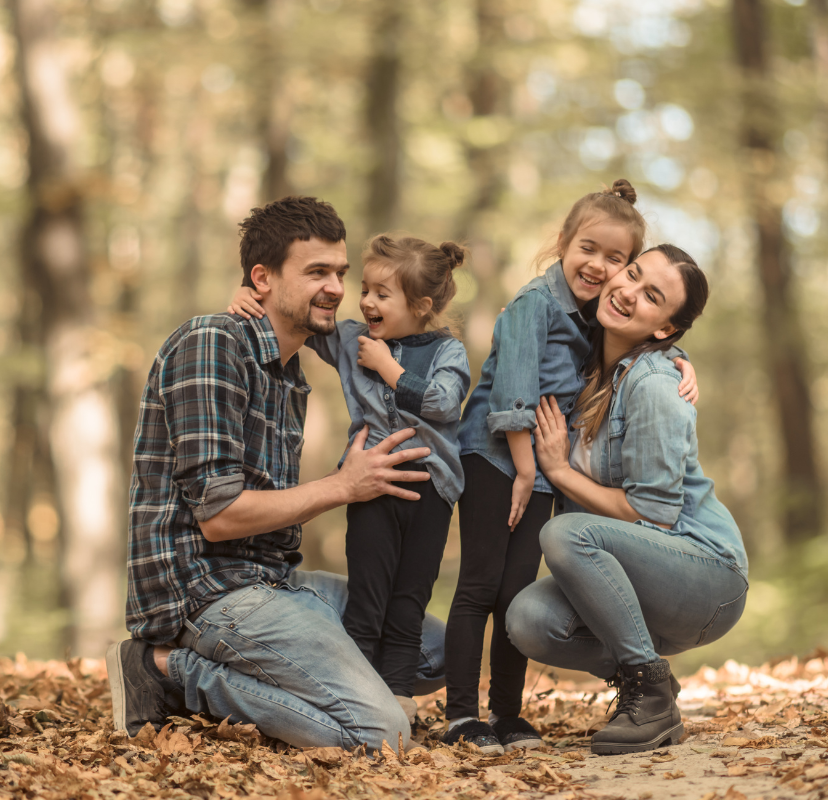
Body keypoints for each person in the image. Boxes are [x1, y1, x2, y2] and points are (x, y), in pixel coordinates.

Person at [107, 196, 448, 751]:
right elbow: (219, 517)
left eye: (340, 272)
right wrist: (345, 486)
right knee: (383, 733)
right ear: (261, 279)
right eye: (317, 272)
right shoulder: (211, 344)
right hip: (205, 594)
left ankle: (286, 684)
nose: (337, 287)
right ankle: (167, 670)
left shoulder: (289, 374)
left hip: (277, 583)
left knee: (436, 651)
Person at [443, 179, 699, 754]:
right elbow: (511, 395)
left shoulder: (593, 315)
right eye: (588, 248)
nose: (599, 266)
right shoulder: (533, 305)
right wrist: (529, 471)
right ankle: (462, 713)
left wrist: (680, 357)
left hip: (537, 464)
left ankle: (507, 715)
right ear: (562, 242)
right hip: (495, 458)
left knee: (514, 594)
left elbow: (637, 342)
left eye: (618, 259)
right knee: (480, 585)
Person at [507, 244, 748, 756]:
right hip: (642, 580)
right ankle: (652, 679)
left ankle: (649, 694)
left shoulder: (657, 385)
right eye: (632, 274)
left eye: (651, 295)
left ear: (664, 328)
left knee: (565, 533)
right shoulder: (587, 359)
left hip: (707, 575)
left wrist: (556, 471)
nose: (627, 291)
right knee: (528, 619)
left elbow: (652, 513)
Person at [226, 234, 471, 724]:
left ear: (421, 306)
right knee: (368, 598)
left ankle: (397, 696)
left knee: (408, 602)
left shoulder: (448, 351)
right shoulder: (351, 335)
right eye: (367, 289)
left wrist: (391, 369)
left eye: (383, 293)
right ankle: (357, 697)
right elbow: (299, 322)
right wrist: (248, 297)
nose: (366, 301)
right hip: (372, 487)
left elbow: (445, 403)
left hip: (431, 492)